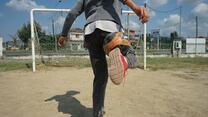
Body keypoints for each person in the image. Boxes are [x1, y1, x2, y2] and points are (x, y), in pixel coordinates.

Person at [58, 0, 149, 117]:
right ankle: (125, 61)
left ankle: (98, 113)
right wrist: (136, 8)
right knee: (131, 54)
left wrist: (64, 35)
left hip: (91, 33)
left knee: (100, 77)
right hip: (110, 28)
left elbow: (72, 13)